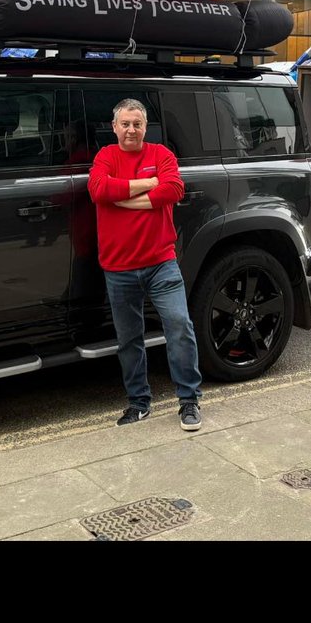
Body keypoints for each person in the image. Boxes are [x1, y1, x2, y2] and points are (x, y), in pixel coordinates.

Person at [87, 98, 202, 430]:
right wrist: (147, 184)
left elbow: (174, 189)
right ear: (114, 127)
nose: (131, 130)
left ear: (144, 126)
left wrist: (122, 200)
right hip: (118, 268)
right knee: (129, 339)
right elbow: (98, 189)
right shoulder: (105, 156)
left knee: (179, 327)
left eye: (137, 124)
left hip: (160, 262)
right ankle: (138, 403)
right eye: (125, 124)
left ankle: (189, 401)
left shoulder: (161, 154)